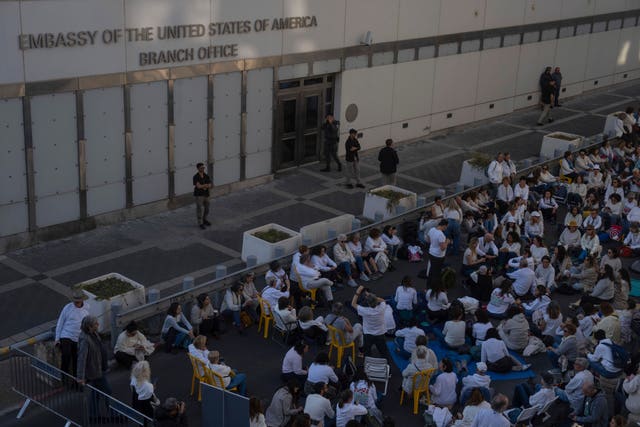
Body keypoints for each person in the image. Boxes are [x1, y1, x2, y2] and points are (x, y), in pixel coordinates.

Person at [77, 316, 112, 418]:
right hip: (95, 371)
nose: (98, 325)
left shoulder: (93, 333)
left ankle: (93, 415)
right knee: (107, 390)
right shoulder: (85, 339)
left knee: (95, 394)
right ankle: (113, 413)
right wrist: (80, 377)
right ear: (89, 327)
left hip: (99, 368)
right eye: (96, 324)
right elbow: (81, 359)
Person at [55, 288, 89, 378]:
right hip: (66, 335)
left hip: (79, 337)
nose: (77, 303)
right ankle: (64, 376)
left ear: (82, 300)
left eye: (78, 301)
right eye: (75, 301)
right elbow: (60, 323)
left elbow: (88, 324)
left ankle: (76, 379)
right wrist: (57, 338)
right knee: (66, 354)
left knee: (76, 359)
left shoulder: (87, 308)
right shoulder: (67, 308)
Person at [351, 286, 389, 359]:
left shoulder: (364, 310)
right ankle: (386, 366)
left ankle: (367, 366)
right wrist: (372, 297)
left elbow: (353, 304)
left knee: (367, 352)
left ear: (368, 303)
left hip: (368, 334)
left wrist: (357, 292)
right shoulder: (382, 308)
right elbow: (383, 300)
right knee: (384, 352)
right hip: (380, 334)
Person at [427, 219, 450, 288]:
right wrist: (447, 242)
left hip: (431, 252)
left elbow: (428, 239)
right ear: (444, 226)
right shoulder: (441, 235)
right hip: (438, 256)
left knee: (431, 270)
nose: (446, 229)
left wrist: (434, 244)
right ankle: (435, 288)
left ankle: (428, 286)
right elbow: (443, 248)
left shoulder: (432, 229)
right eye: (446, 227)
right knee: (436, 273)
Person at [193, 162, 212, 229]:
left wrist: (204, 186)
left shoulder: (206, 176)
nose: (203, 168)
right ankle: (200, 223)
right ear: (198, 168)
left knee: (207, 209)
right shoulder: (196, 177)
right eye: (201, 168)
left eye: (203, 167)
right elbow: (198, 186)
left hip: (206, 195)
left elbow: (210, 185)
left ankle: (205, 220)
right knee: (199, 209)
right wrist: (205, 185)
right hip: (199, 195)